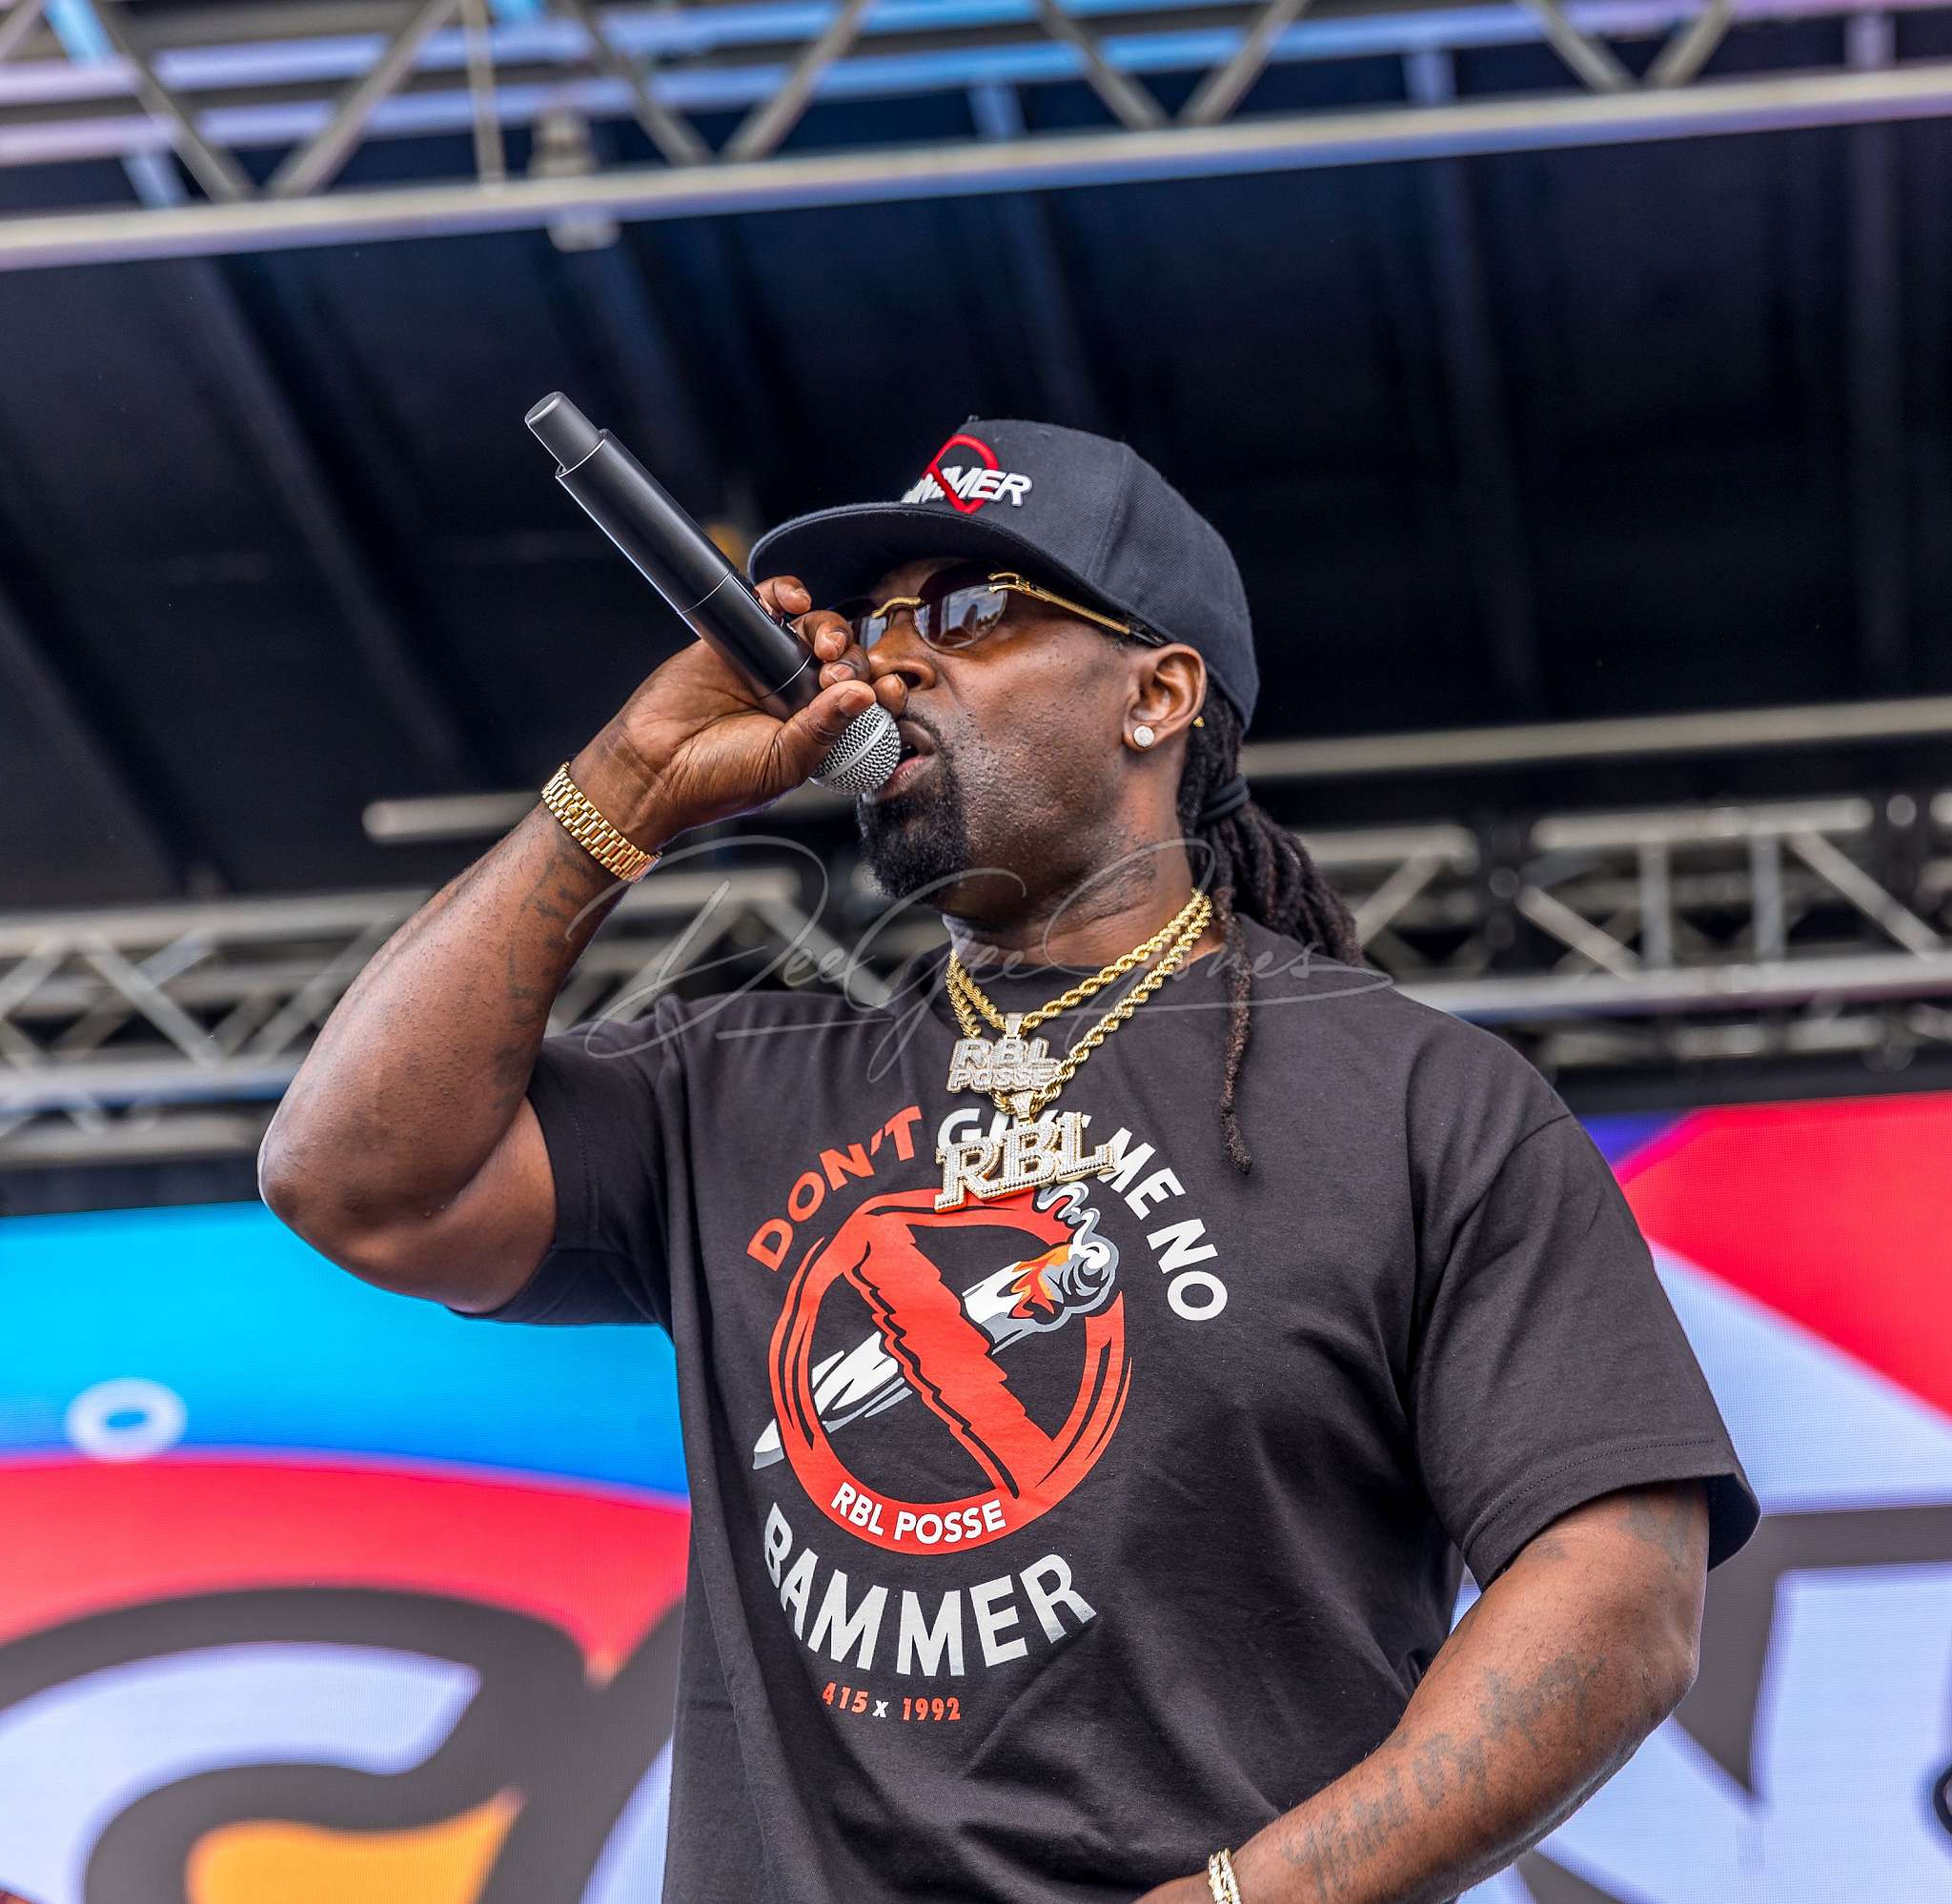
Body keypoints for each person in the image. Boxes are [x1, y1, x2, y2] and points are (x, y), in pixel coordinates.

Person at [259, 417, 1759, 1904]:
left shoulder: (1422, 1102)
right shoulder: (732, 1080)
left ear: (1157, 695)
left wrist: (1252, 1897)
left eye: (971, 610)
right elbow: (352, 1178)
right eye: (877, 622)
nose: (892, 664)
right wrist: (623, 789)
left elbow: (1619, 1591)